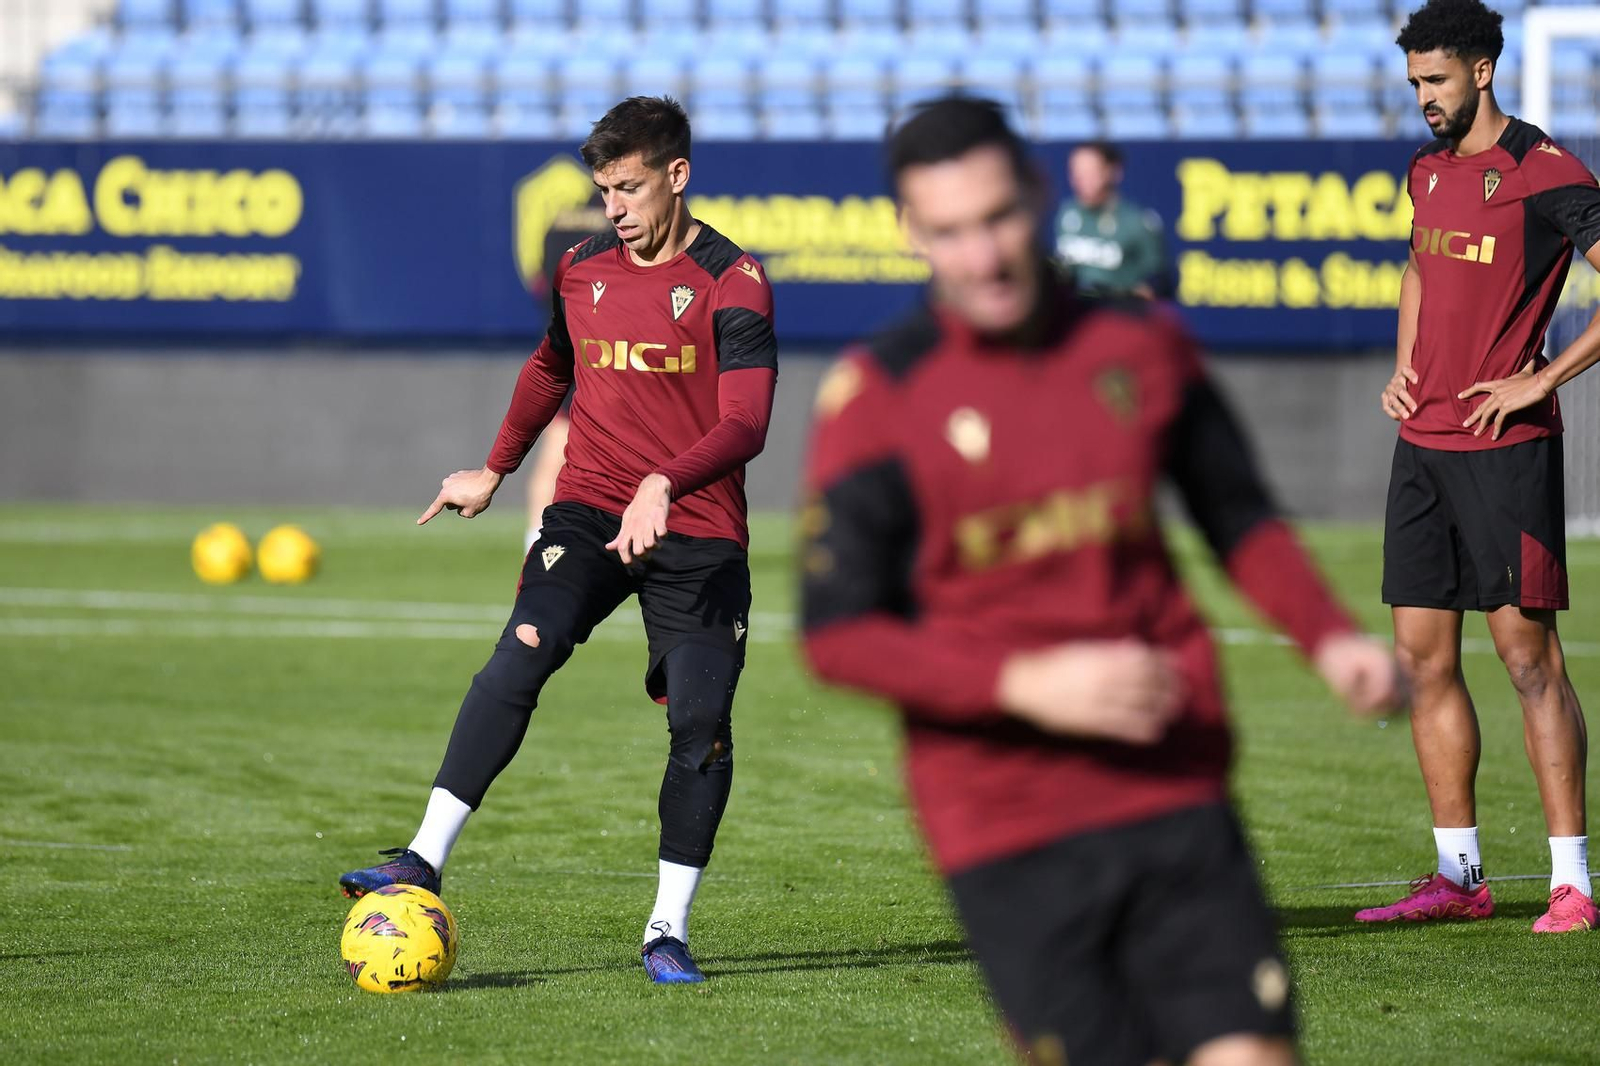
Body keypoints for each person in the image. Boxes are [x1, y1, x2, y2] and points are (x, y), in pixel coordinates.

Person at [800, 96, 1400, 1066]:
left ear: (1036, 195)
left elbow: (1236, 513)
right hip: (1006, 822)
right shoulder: (876, 400)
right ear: (910, 235)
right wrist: (1022, 684)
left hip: (1170, 778)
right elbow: (835, 634)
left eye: (997, 219)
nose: (983, 256)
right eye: (948, 233)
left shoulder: (1139, 347)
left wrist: (1328, 636)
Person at [339, 96, 779, 984]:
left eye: (628, 187)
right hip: (588, 507)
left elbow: (747, 423)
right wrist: (495, 470)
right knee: (522, 650)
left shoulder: (736, 282)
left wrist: (666, 480)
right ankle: (421, 857)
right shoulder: (580, 270)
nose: (612, 207)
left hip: (695, 528)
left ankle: (666, 930)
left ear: (676, 176)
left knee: (702, 727)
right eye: (602, 189)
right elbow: (551, 369)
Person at [1368, 0, 1600, 933]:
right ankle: (1458, 877)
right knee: (1422, 662)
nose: (1422, 96)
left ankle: (1574, 883)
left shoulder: (1546, 173)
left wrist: (1540, 377)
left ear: (1482, 72)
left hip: (1506, 453)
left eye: (1434, 80)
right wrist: (1403, 365)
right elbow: (1420, 267)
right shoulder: (1427, 171)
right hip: (1420, 446)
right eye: (1414, 81)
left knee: (1527, 660)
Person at [525, 198, 610, 555]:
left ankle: (535, 538)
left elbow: (541, 282)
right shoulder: (621, 223)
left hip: (568, 341)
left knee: (557, 444)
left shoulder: (558, 219)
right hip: (610, 348)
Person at [1054, 139, 1169, 298]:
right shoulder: (1067, 214)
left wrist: (1120, 297)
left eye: (1090, 173)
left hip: (1118, 316)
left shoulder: (1138, 222)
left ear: (1112, 172)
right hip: (1075, 316)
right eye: (1076, 173)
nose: (1081, 181)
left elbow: (1159, 282)